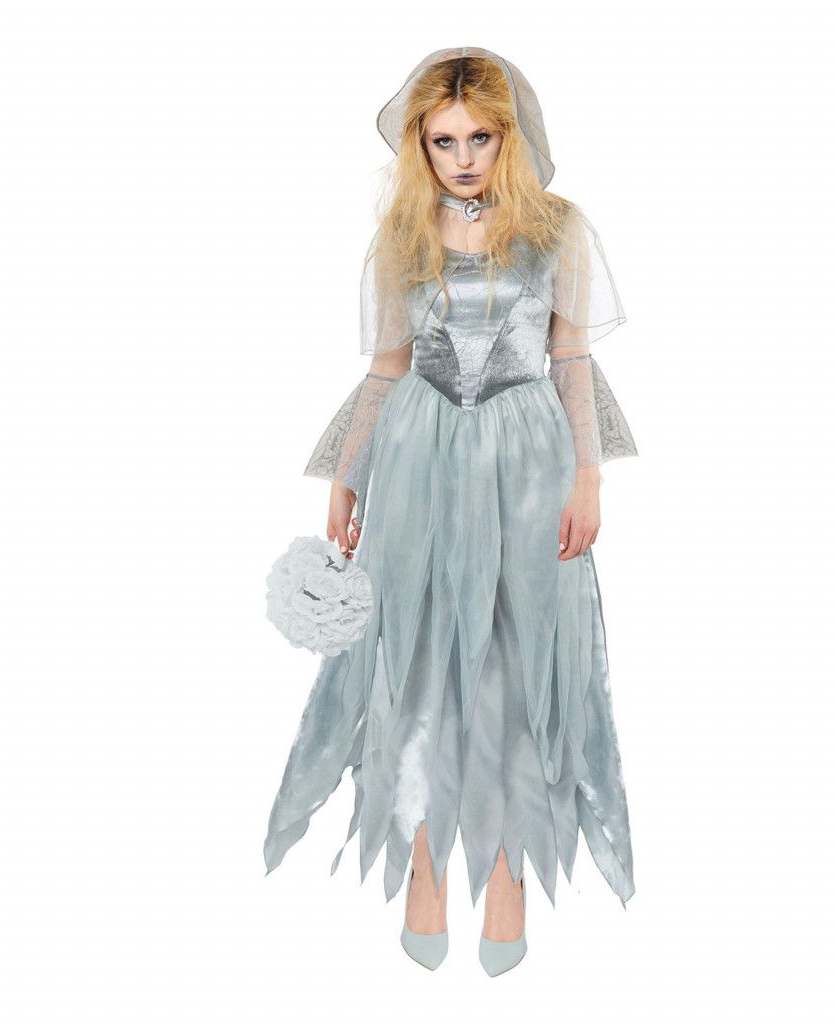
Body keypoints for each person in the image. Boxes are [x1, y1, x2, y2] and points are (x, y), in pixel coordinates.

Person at [263, 46, 637, 976]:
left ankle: (508, 874)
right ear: (419, 147)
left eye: (480, 138)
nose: (463, 158)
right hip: (419, 457)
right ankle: (424, 865)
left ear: (509, 136)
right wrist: (346, 476)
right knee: (418, 651)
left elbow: (572, 361)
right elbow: (386, 369)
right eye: (443, 141)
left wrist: (587, 480)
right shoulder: (404, 234)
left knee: (518, 654)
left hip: (527, 459)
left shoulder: (556, 228)